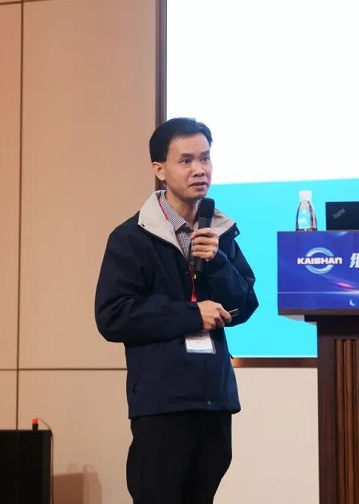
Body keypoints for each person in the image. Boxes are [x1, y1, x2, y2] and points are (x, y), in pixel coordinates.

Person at [94, 117, 259, 504]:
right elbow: (113, 315)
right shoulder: (132, 238)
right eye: (186, 160)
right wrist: (191, 315)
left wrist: (218, 261)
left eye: (205, 158)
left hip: (214, 399)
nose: (200, 169)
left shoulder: (219, 233)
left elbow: (245, 306)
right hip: (163, 402)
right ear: (160, 170)